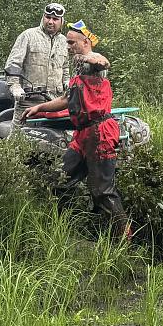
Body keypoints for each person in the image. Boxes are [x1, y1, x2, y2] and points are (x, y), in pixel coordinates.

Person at [24, 22, 128, 239]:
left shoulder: (93, 61)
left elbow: (104, 62)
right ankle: (65, 229)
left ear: (85, 42)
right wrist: (39, 108)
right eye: (67, 43)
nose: (68, 46)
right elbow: (65, 100)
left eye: (72, 43)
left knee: (103, 191)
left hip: (100, 133)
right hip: (83, 135)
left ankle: (123, 239)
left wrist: (87, 58)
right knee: (60, 179)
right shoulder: (79, 70)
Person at [6, 2, 70, 128]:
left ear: (61, 21)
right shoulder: (28, 36)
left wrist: (67, 81)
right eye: (48, 17)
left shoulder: (64, 41)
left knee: (56, 137)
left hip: (55, 102)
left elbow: (65, 66)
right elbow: (13, 65)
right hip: (29, 101)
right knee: (18, 137)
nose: (50, 21)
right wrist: (15, 87)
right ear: (43, 17)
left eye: (55, 19)